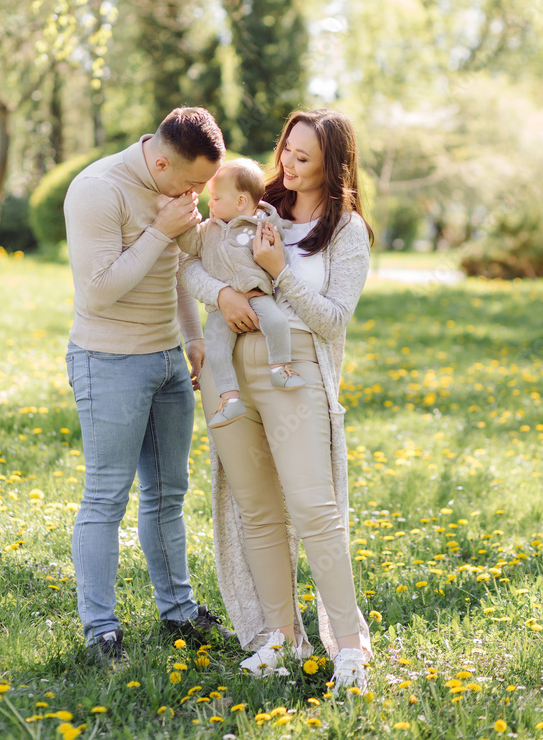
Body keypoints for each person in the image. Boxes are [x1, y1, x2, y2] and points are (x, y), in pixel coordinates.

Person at [179, 108, 374, 694]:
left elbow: (334, 321)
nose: (287, 164)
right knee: (257, 510)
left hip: (297, 372)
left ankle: (348, 649)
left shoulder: (346, 232)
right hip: (228, 368)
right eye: (287, 149)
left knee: (316, 511)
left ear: (331, 164)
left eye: (303, 156)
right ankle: (281, 638)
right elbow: (188, 262)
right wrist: (224, 294)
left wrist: (279, 271)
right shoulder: (249, 201)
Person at [63, 106, 234, 668]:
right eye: (190, 183)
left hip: (166, 361)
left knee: (168, 494)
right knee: (106, 498)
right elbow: (98, 292)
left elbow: (176, 265)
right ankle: (101, 628)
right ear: (160, 162)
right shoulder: (97, 191)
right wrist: (160, 229)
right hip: (108, 362)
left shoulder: (174, 187)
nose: (196, 195)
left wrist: (190, 337)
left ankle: (178, 610)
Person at [177, 157, 305, 430]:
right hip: (222, 308)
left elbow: (278, 242)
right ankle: (229, 398)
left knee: (277, 323)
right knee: (216, 347)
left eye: (215, 198)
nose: (209, 203)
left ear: (240, 202)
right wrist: (188, 218)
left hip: (257, 295)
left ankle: (279, 368)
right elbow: (186, 244)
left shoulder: (260, 226)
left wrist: (272, 227)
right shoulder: (206, 230)